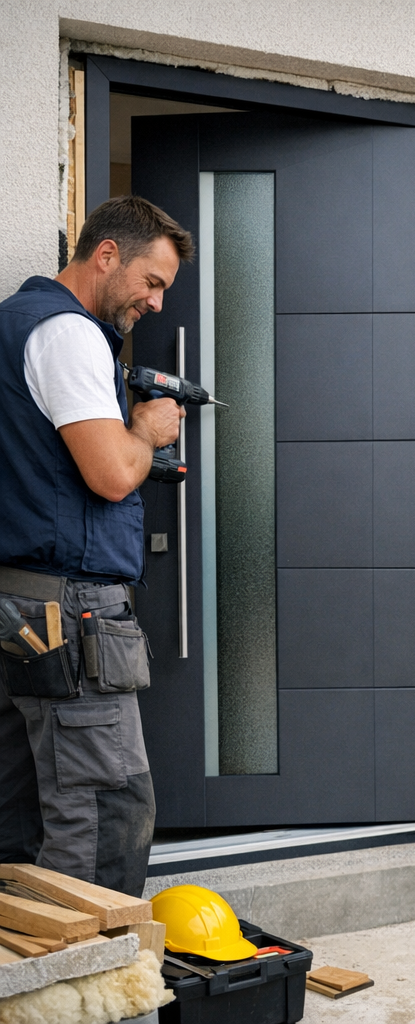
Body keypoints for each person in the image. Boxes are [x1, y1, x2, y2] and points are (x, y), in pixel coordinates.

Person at [0, 195, 193, 896]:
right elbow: (111, 475)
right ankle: (93, 994)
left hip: (19, 601)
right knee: (104, 811)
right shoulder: (69, 333)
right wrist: (144, 434)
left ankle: (31, 985)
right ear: (106, 255)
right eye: (153, 281)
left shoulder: (13, 325)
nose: (157, 302)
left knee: (19, 809)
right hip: (69, 612)